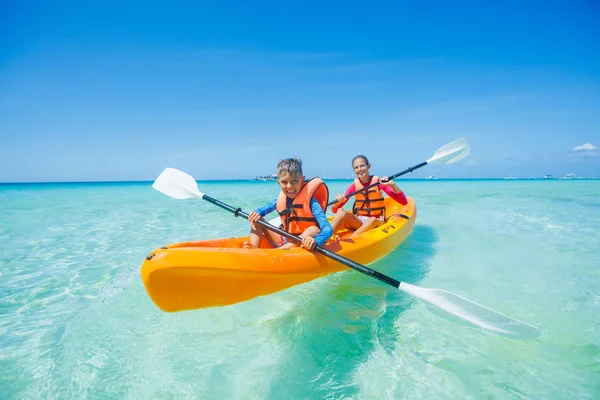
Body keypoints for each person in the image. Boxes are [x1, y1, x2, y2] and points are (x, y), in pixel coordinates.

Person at [242, 157, 333, 251]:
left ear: (302, 180)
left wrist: (317, 241)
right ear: (279, 183)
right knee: (257, 220)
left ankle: (281, 250)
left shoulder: (311, 202)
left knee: (314, 229)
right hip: (284, 240)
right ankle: (253, 248)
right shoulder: (280, 200)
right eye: (284, 182)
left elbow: (327, 229)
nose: (289, 186)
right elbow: (262, 210)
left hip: (304, 241)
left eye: (294, 181)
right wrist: (256, 213)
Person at [330, 155, 408, 238]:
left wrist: (392, 185)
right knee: (341, 211)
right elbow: (334, 210)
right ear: (354, 170)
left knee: (372, 220)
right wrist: (337, 202)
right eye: (356, 167)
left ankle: (348, 241)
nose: (359, 169)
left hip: (376, 222)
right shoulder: (354, 186)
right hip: (360, 221)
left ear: (369, 166)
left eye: (362, 165)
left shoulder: (379, 183)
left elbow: (404, 202)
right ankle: (324, 238)